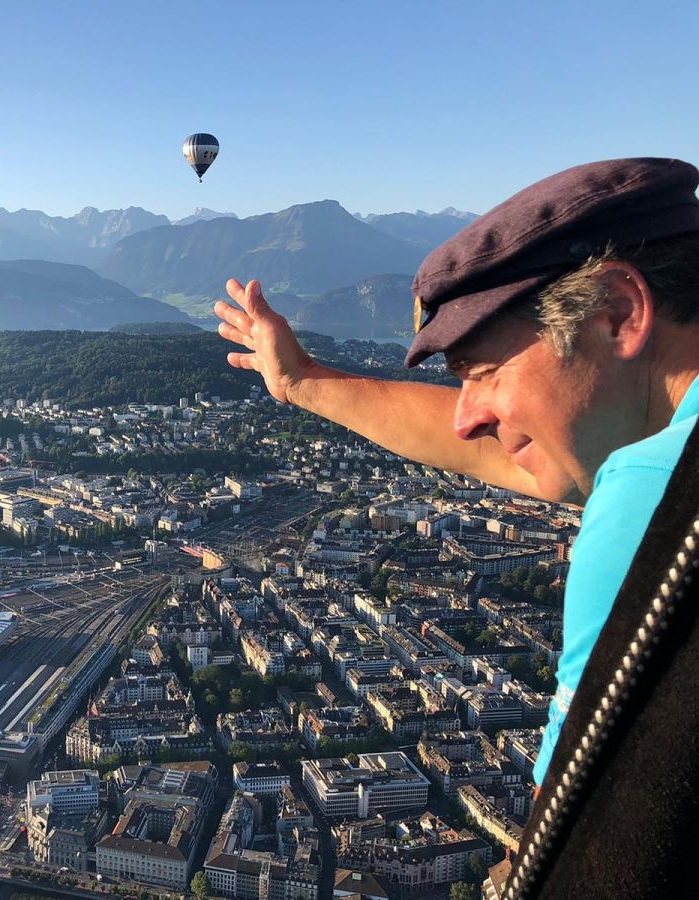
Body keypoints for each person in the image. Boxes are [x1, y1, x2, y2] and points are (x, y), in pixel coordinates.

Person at [213, 157, 699, 788]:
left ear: (617, 313)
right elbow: (490, 451)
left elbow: (583, 834)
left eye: (482, 373)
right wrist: (301, 382)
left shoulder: (659, 497)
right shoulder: (658, 442)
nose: (466, 419)